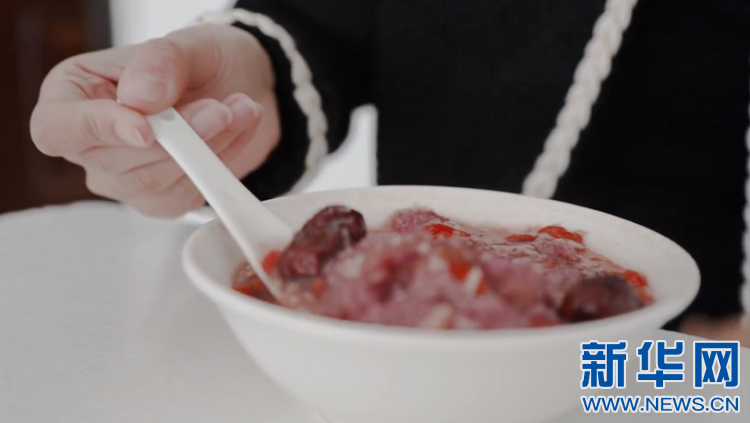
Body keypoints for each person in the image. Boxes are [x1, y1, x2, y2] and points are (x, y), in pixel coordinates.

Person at [29, 0, 750, 344]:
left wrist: (716, 377)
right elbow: (331, 23)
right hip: (403, 361)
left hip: (683, 359)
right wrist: (249, 81)